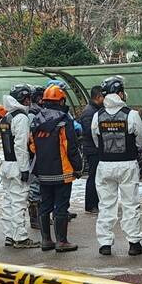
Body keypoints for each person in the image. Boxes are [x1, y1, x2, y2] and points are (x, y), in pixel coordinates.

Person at [91, 76, 142, 256]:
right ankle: (134, 242)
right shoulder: (131, 114)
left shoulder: (97, 115)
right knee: (130, 204)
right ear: (121, 93)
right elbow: (141, 139)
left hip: (105, 164)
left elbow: (95, 139)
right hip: (127, 164)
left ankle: (105, 243)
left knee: (106, 204)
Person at [30, 84, 83, 252]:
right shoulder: (64, 119)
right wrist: (78, 166)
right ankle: (62, 241)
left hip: (43, 171)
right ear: (61, 100)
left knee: (44, 205)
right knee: (61, 206)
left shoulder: (36, 118)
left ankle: (46, 240)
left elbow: (32, 146)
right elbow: (70, 146)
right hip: (62, 171)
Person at [0, 85, 40, 249]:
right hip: (17, 165)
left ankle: (9, 235)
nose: (30, 101)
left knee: (8, 201)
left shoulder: (5, 118)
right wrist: (25, 169)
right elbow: (20, 146)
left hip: (7, 165)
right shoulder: (21, 118)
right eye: (28, 98)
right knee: (18, 202)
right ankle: (21, 238)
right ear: (24, 99)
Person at [79, 85, 104, 213]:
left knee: (97, 177)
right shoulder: (89, 111)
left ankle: (95, 203)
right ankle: (91, 205)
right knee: (93, 177)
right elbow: (89, 131)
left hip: (94, 148)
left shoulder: (95, 110)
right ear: (98, 96)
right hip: (92, 149)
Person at [27, 85, 45, 230]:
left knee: (39, 186)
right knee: (34, 187)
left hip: (37, 154)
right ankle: (35, 219)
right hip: (33, 155)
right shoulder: (32, 114)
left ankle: (40, 216)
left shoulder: (37, 112)